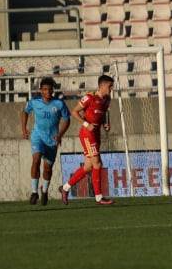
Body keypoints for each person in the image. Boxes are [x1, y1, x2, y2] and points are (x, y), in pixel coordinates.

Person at [60, 75, 115, 205]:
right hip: (87, 134)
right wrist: (86, 124)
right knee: (97, 164)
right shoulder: (89, 98)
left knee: (88, 166)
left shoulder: (107, 99)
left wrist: (105, 124)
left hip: (96, 133)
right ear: (102, 86)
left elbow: (103, 114)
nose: (111, 88)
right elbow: (74, 112)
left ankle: (65, 188)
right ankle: (99, 197)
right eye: (110, 86)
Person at [21, 77, 71, 205]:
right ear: (41, 90)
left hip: (52, 139)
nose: (47, 91)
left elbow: (67, 119)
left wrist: (60, 135)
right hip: (37, 136)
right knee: (36, 159)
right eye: (45, 89)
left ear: (53, 90)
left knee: (47, 169)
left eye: (50, 89)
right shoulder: (34, 102)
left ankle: (44, 191)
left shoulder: (59, 104)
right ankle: (34, 192)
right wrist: (24, 128)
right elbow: (25, 112)